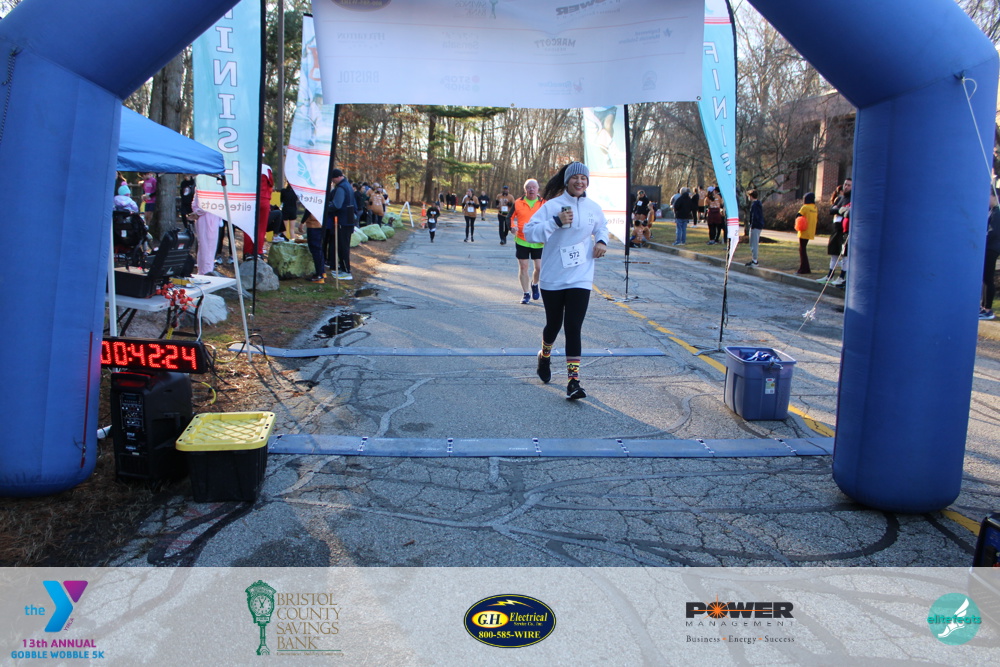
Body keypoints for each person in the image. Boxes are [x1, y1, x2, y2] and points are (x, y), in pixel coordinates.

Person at [523, 162, 609, 400]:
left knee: (573, 327)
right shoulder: (552, 206)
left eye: (584, 178)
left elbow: (602, 227)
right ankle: (544, 356)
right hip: (553, 276)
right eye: (575, 178)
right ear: (567, 181)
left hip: (581, 276)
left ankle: (573, 381)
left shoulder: (593, 208)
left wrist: (602, 241)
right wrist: (555, 222)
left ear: (587, 182)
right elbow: (529, 232)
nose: (579, 182)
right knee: (554, 324)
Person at [509, 178, 546, 304]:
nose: (531, 189)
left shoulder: (544, 203)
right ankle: (526, 293)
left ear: (538, 189)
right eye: (528, 187)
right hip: (522, 239)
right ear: (525, 190)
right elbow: (510, 217)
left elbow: (550, 218)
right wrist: (512, 227)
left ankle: (535, 284)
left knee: (539, 267)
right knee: (523, 266)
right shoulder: (518, 202)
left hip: (538, 240)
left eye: (533, 187)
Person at [325, 168, 356, 280]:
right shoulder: (348, 186)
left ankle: (346, 271)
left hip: (342, 221)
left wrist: (325, 207)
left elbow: (337, 205)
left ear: (338, 177)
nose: (333, 181)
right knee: (344, 246)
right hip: (348, 220)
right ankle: (343, 268)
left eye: (333, 179)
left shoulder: (341, 188)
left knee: (342, 247)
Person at [820, 178, 852, 285]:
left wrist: (840, 210)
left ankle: (842, 277)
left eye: (849, 185)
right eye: (845, 184)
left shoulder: (852, 199)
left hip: (845, 231)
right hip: (836, 229)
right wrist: (839, 210)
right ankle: (829, 275)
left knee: (844, 255)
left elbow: (848, 213)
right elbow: (831, 210)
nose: (846, 187)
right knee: (833, 253)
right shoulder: (840, 198)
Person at [189, 190, 223, 277]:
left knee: (206, 247)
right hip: (206, 218)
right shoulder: (205, 186)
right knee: (206, 247)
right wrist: (197, 212)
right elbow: (201, 203)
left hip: (210, 217)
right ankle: (205, 272)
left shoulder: (212, 186)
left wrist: (197, 212)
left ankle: (204, 271)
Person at [980, 189, 1000, 320]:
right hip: (989, 247)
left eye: (989, 195)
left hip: (992, 248)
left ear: (994, 197)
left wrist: (982, 239)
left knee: (988, 278)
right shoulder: (992, 211)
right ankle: (984, 307)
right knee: (985, 278)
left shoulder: (997, 212)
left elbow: (993, 232)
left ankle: (988, 309)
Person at [795, 192, 817, 274]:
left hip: (804, 230)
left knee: (802, 250)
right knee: (803, 249)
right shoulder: (814, 207)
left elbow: (798, 215)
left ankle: (804, 268)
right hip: (811, 231)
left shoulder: (805, 207)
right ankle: (806, 268)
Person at [304, 210, 326, 283]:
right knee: (318, 249)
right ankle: (322, 272)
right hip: (320, 223)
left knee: (315, 249)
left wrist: (302, 222)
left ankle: (319, 275)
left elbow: (308, 210)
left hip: (314, 224)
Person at [746, 189, 765, 267]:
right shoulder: (757, 204)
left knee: (754, 243)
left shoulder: (755, 205)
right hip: (757, 225)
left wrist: (752, 225)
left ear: (751, 196)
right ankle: (754, 259)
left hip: (755, 226)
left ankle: (755, 260)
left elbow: (755, 216)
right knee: (753, 243)